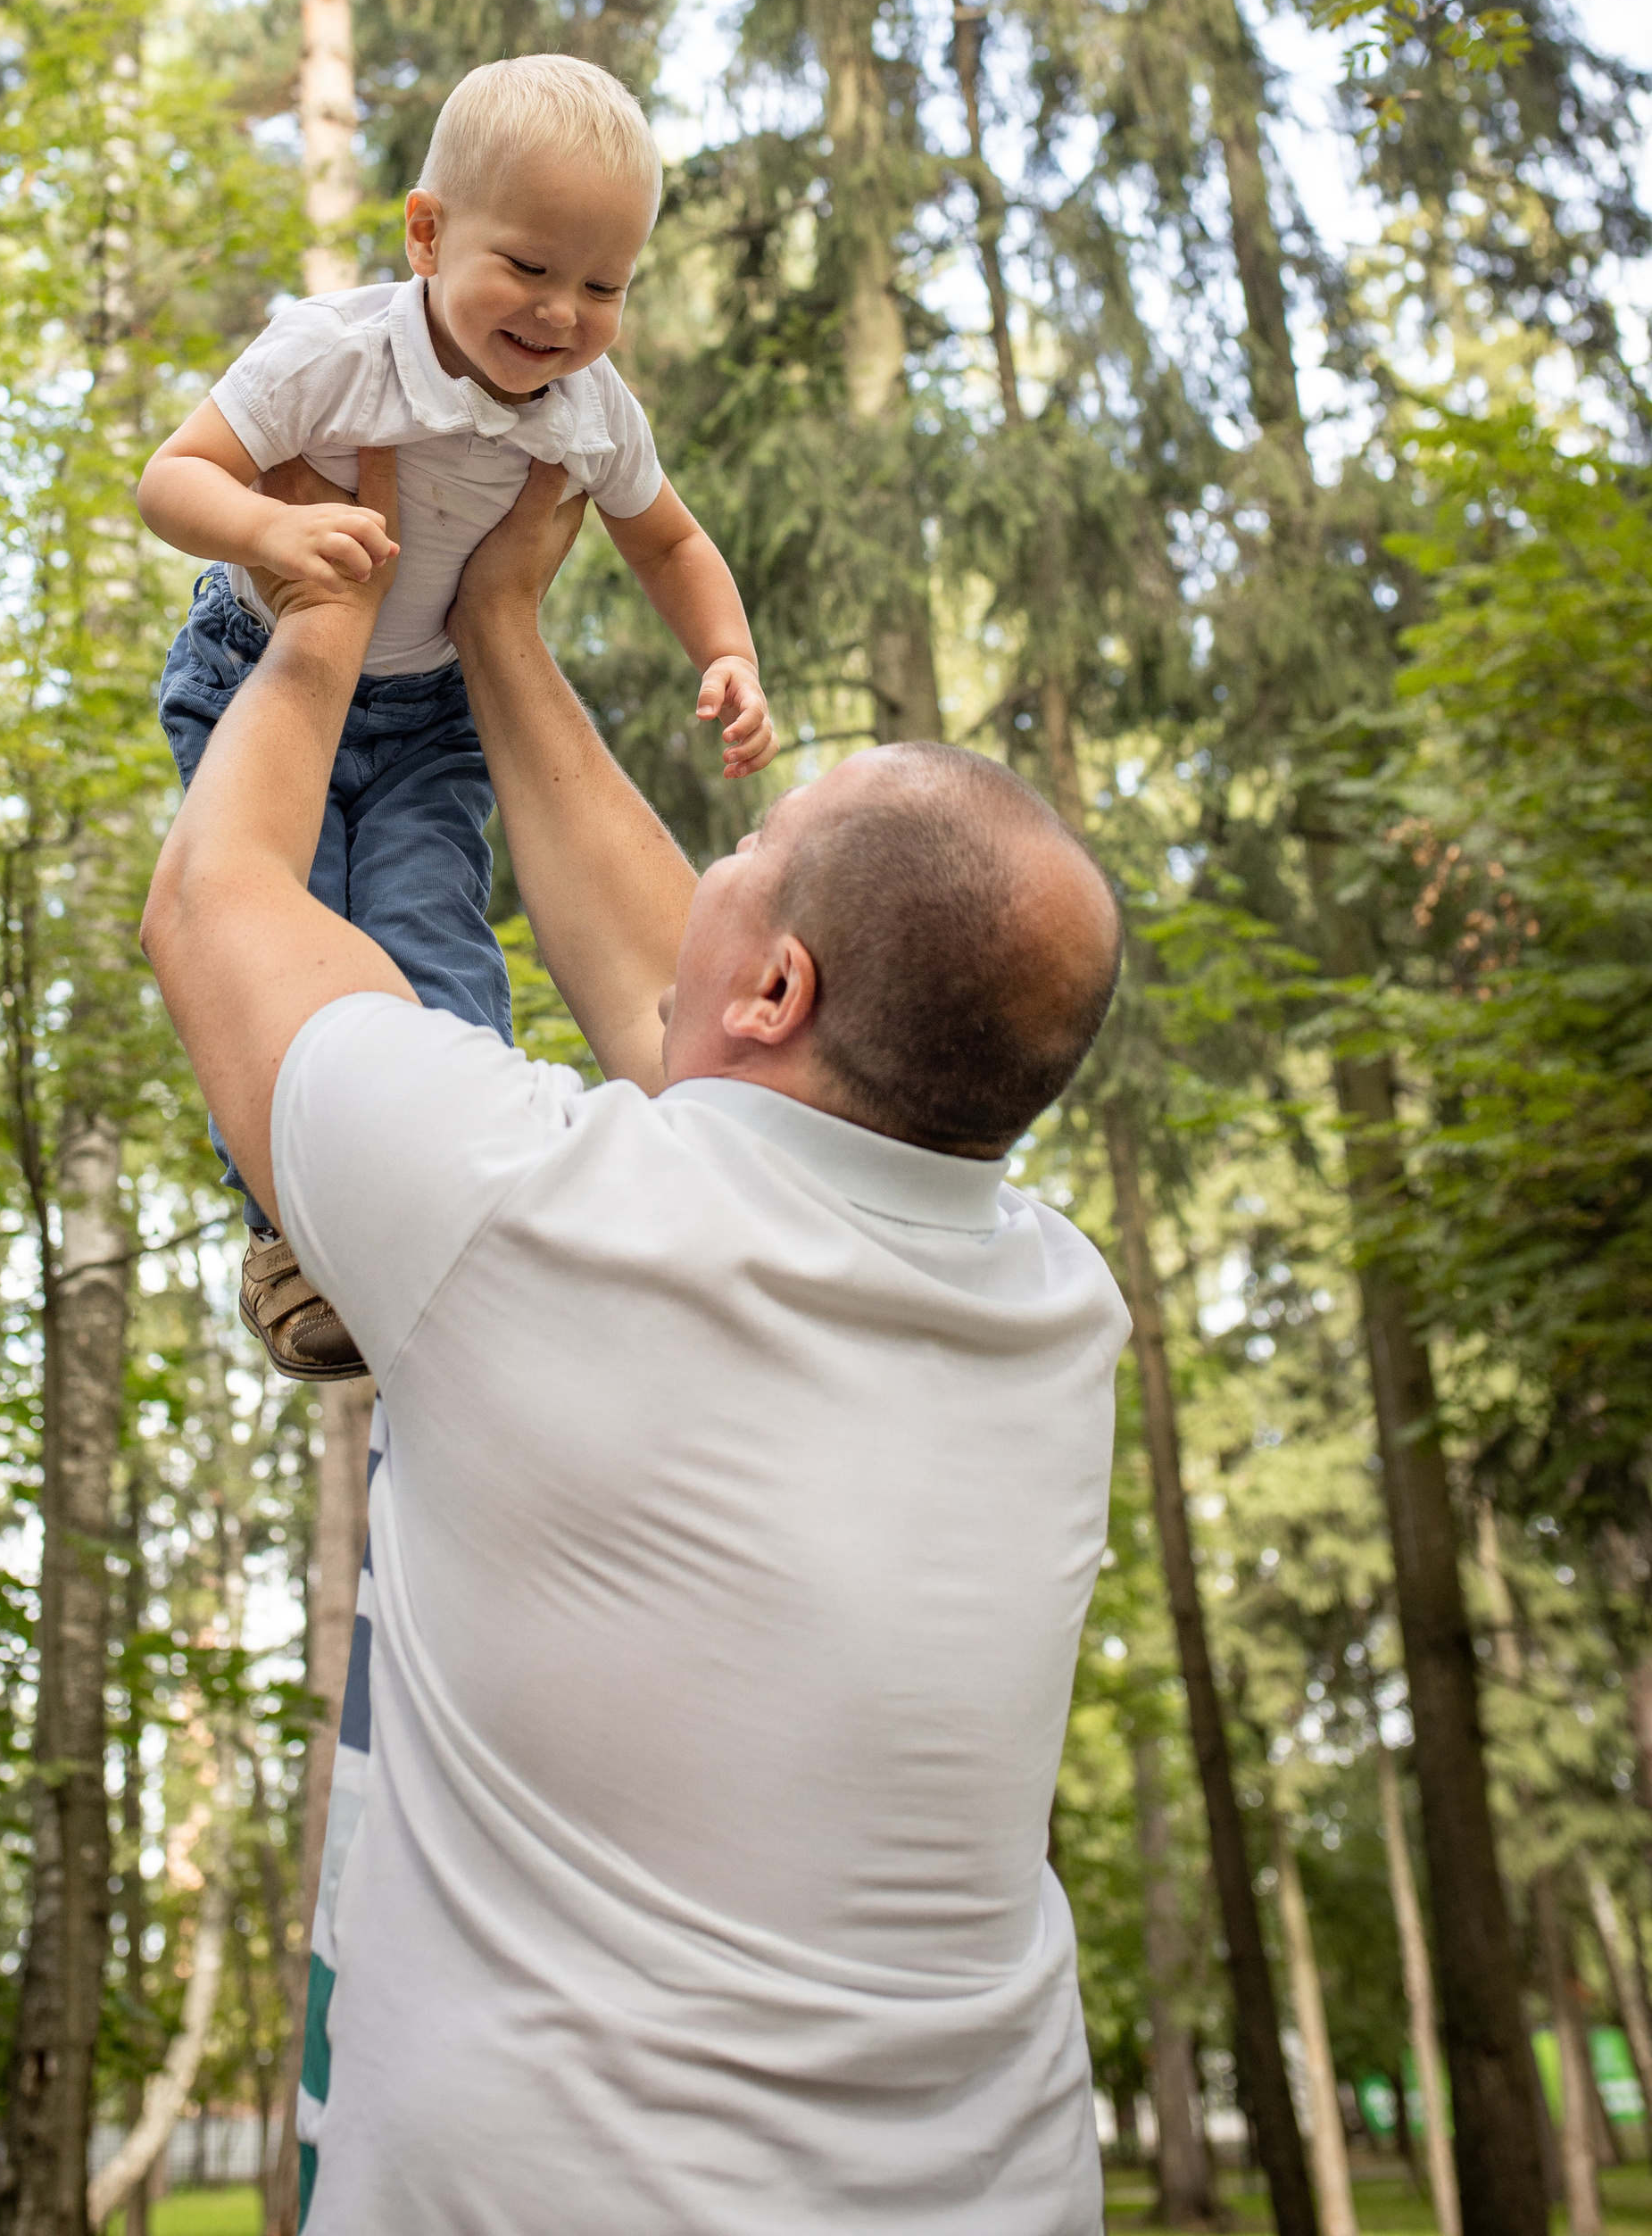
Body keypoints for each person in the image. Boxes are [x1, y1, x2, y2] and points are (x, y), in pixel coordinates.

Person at [141, 453, 1133, 2233]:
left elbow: (219, 908)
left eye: (742, 855)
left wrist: (316, 616)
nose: (703, 873)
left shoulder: (530, 1220)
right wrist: (503, 624)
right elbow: (703, 1029)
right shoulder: (1058, 1313)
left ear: (777, 990)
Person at [137, 53, 776, 1380]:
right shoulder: (334, 353)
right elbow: (174, 479)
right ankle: (289, 1235)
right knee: (281, 915)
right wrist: (272, 526)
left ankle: (453, 1191)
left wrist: (727, 653)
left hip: (433, 717)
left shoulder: (591, 413)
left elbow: (670, 542)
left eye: (603, 286)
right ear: (427, 234)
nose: (561, 315)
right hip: (261, 671)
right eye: (531, 269)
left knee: (433, 929)